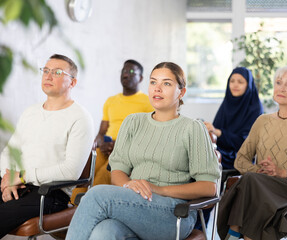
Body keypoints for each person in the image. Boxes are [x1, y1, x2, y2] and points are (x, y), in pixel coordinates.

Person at [66, 62, 221, 240]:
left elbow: (209, 187)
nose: (158, 89)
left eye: (167, 83)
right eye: (153, 82)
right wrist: (127, 185)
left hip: (174, 214)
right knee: (104, 231)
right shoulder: (133, 122)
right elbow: (118, 171)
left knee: (96, 195)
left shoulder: (193, 128)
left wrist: (159, 189)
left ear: (182, 92)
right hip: (133, 205)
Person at [217, 65, 287, 240]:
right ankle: (244, 235)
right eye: (278, 82)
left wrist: (284, 173)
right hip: (260, 183)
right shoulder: (262, 121)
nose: (281, 88)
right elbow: (241, 160)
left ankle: (233, 232)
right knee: (252, 180)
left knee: (250, 182)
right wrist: (261, 171)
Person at [0, 54, 94, 238]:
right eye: (46, 70)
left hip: (48, 194)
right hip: (16, 184)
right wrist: (9, 178)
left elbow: (70, 171)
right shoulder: (30, 112)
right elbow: (9, 152)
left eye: (57, 72)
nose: (48, 76)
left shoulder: (80, 118)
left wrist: (22, 176)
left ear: (72, 82)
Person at [71, 60, 153, 202]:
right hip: (106, 147)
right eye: (124, 71)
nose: (126, 74)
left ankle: (91, 204)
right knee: (85, 172)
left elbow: (149, 134)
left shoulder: (148, 102)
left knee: (102, 175)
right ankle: (72, 207)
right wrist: (99, 144)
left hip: (126, 150)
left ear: (140, 78)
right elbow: (101, 133)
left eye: (132, 72)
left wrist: (120, 145)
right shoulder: (111, 101)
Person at [204, 67, 263, 170]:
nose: (235, 85)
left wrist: (218, 132)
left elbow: (246, 144)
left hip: (239, 157)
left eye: (240, 82)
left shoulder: (255, 108)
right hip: (219, 152)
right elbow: (214, 135)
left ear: (248, 85)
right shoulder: (227, 103)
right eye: (232, 81)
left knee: (206, 156)